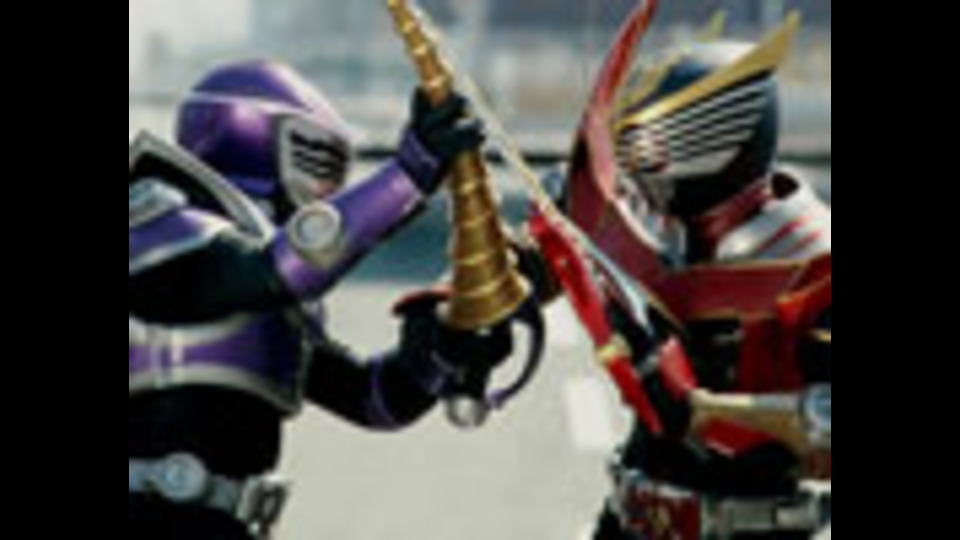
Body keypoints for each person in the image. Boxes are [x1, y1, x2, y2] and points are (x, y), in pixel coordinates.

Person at [129, 61, 510, 540]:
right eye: (315, 152)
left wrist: (444, 339)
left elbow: (373, 399)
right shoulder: (156, 229)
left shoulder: (258, 288)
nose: (329, 177)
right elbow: (280, 268)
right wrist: (408, 175)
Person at [518, 10, 831, 539]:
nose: (633, 161)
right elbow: (536, 267)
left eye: (648, 143)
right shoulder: (656, 229)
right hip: (628, 523)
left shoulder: (812, 258)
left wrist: (700, 410)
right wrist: (474, 304)